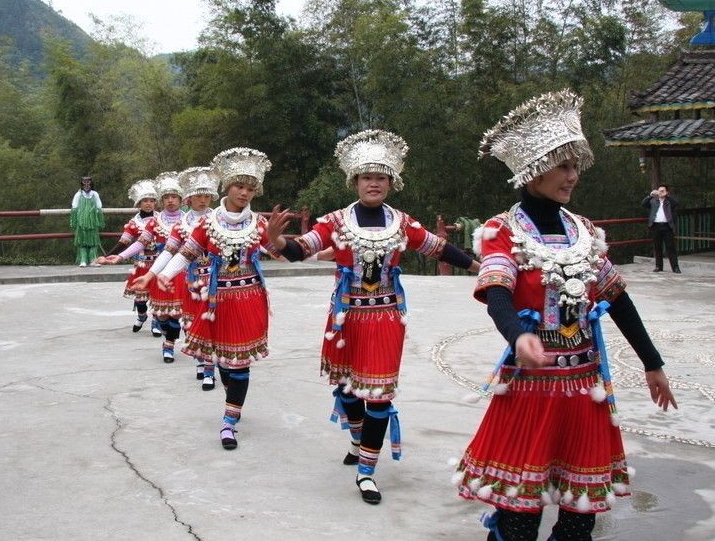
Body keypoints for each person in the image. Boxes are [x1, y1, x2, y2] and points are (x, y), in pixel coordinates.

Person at [453, 90, 677, 541]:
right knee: (520, 515)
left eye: (576, 166)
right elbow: (497, 291)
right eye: (563, 165)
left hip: (584, 389)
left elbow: (618, 299)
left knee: (580, 519)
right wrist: (518, 336)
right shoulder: (502, 231)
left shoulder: (586, 232)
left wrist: (653, 364)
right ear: (534, 169)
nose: (573, 176)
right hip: (530, 389)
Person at [265, 129, 480, 505]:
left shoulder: (402, 223)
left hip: (385, 319)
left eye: (381, 177)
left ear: (391, 183)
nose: (374, 183)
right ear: (355, 182)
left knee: (378, 396)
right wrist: (278, 242)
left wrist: (480, 266)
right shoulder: (335, 221)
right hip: (345, 319)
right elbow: (304, 248)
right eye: (367, 177)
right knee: (347, 390)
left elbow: (438, 247)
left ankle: (367, 470)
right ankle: (357, 438)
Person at [149, 148, 274, 450]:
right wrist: (159, 275)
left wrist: (283, 242)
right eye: (238, 186)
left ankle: (229, 421)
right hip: (215, 300)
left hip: (249, 299)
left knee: (240, 364)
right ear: (227, 187)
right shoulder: (207, 224)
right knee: (224, 363)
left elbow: (280, 251)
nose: (244, 193)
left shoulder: (259, 223)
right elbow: (187, 252)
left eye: (250, 188)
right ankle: (231, 391)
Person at [132, 166, 222, 387]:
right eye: (198, 196)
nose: (203, 200)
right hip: (190, 281)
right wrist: (156, 274)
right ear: (189, 199)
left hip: (217, 282)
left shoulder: (221, 220)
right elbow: (169, 251)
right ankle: (200, 362)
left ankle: (209, 368)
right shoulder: (182, 226)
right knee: (191, 325)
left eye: (207, 196)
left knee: (211, 325)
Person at [103, 172, 187, 362]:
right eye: (166, 197)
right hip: (157, 271)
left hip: (182, 272)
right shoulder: (155, 222)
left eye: (174, 197)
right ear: (162, 201)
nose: (170, 201)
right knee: (161, 315)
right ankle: (163, 330)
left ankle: (169, 345)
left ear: (181, 199)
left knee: (176, 314)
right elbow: (140, 242)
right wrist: (119, 256)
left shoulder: (189, 220)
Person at [97, 180, 157, 334]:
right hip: (142, 264)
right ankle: (142, 315)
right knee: (141, 297)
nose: (149, 204)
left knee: (159, 295)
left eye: (152, 201)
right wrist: (107, 256)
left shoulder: (162, 219)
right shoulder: (133, 224)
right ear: (139, 203)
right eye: (145, 201)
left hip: (159, 264)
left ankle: (157, 322)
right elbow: (123, 243)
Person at [642, 184, 680, 273]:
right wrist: (649, 195)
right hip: (656, 226)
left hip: (667, 226)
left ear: (667, 192)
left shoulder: (669, 201)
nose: (660, 192)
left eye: (663, 191)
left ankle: (675, 267)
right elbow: (643, 204)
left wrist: (667, 196)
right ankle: (658, 266)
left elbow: (676, 203)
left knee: (670, 247)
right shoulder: (653, 201)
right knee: (657, 247)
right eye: (659, 191)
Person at [70, 176, 104, 267]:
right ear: (81, 184)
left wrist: (96, 216)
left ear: (91, 183)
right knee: (82, 241)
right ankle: (83, 260)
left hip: (92, 222)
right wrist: (76, 220)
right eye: (84, 182)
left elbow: (99, 206)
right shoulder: (78, 194)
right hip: (81, 222)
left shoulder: (95, 194)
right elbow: (74, 207)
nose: (86, 184)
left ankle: (93, 260)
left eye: (88, 182)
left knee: (93, 242)